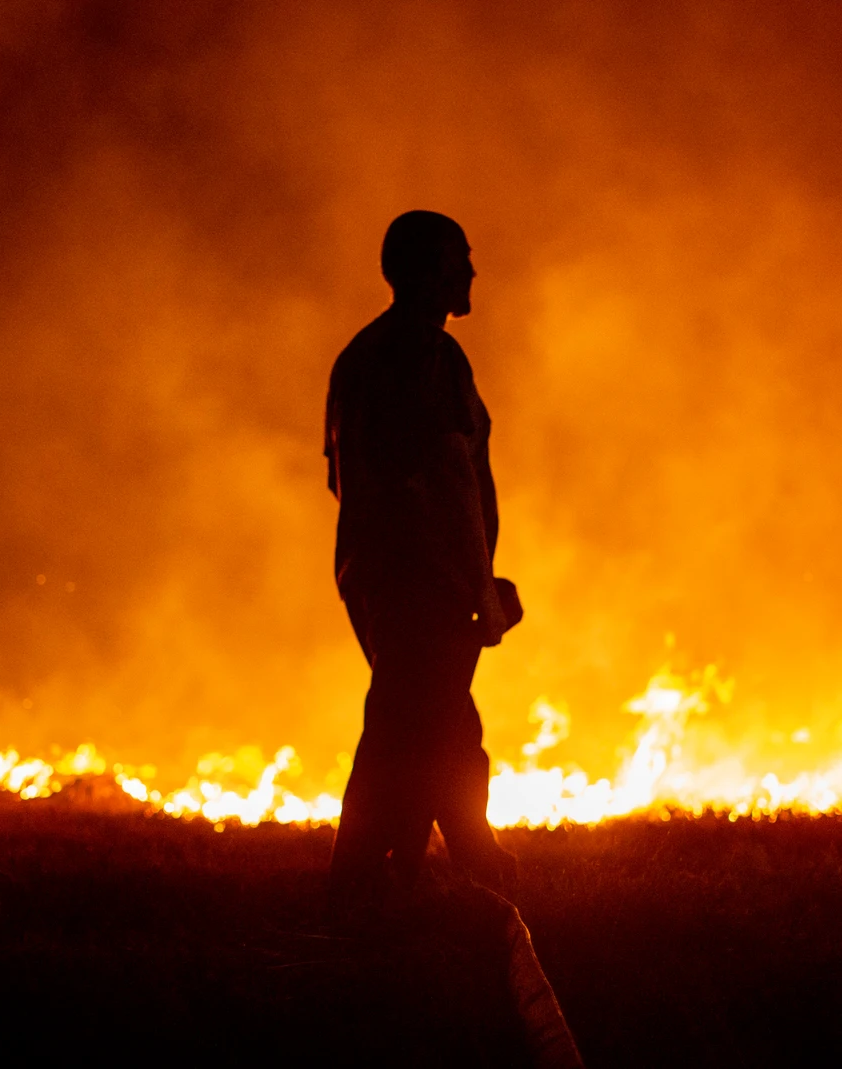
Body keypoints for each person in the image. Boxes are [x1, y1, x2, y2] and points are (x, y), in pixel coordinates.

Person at [324, 210, 522, 905]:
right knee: (413, 728)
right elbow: (450, 478)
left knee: (426, 723)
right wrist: (479, 586)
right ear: (426, 270)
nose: (470, 272)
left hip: (382, 576)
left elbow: (343, 482)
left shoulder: (365, 355)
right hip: (421, 582)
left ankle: (408, 870)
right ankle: (363, 879)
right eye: (458, 259)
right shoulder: (425, 357)